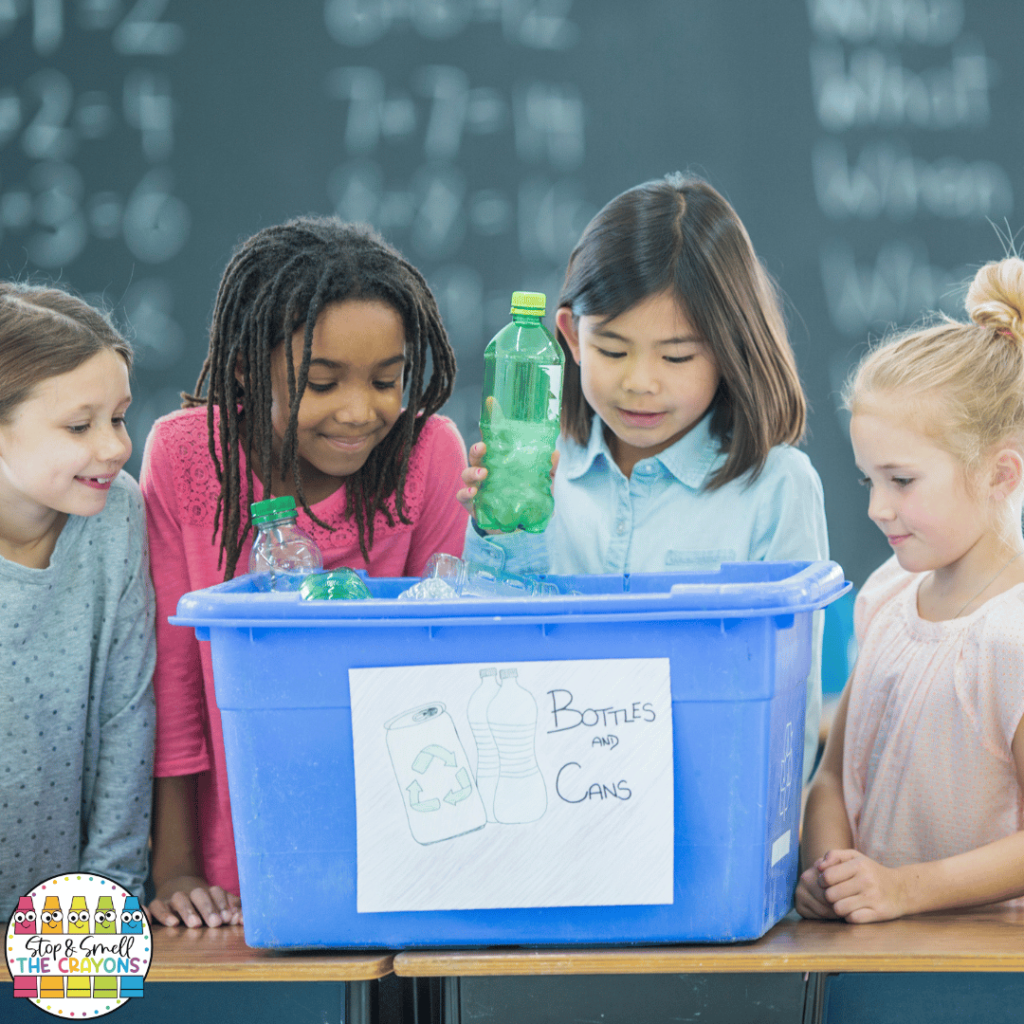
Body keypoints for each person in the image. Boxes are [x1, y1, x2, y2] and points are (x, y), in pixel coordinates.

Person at [141, 216, 468, 927]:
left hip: (405, 839)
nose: (361, 412)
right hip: (230, 872)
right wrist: (175, 868)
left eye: (388, 380)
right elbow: (170, 676)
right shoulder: (185, 455)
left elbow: (440, 660)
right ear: (243, 369)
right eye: (322, 384)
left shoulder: (427, 453)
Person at [458, 174, 829, 780]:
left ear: (729, 348)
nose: (641, 382)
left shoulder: (777, 486)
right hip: (557, 801)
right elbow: (490, 659)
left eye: (677, 356)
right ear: (570, 337)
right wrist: (499, 531)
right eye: (612, 349)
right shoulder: (542, 475)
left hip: (713, 808)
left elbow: (791, 713)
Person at [797, 256, 1024, 923]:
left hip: (981, 978)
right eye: (870, 481)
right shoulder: (890, 596)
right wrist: (831, 872)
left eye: (902, 481)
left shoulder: (1013, 638)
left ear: (1000, 474)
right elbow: (832, 779)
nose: (877, 509)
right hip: (869, 959)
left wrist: (903, 889)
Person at [0, 282, 156, 920]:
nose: (116, 447)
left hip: (68, 919)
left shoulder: (116, 509)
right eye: (78, 426)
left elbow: (128, 713)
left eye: (118, 418)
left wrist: (109, 900)